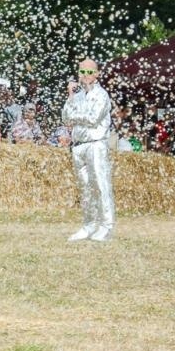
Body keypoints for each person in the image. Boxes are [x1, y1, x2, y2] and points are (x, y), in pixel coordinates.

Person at [64, 58, 115, 241]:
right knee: (85, 187)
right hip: (78, 145)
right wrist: (70, 96)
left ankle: (106, 225)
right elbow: (65, 118)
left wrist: (75, 115)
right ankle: (89, 224)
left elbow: (93, 118)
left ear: (96, 74)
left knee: (100, 185)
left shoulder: (102, 95)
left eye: (88, 72)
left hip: (96, 143)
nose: (84, 75)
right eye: (81, 72)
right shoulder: (77, 96)